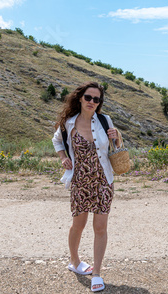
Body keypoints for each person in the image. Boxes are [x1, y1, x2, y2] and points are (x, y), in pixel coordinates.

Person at [52, 81, 119, 292]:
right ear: (80, 98)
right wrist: (63, 157)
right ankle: (75, 261)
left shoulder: (104, 120)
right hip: (80, 181)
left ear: (99, 103)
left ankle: (96, 273)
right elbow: (56, 141)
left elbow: (116, 147)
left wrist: (116, 138)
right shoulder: (69, 124)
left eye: (96, 99)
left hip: (103, 182)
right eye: (88, 97)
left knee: (100, 227)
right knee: (78, 225)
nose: (92, 102)